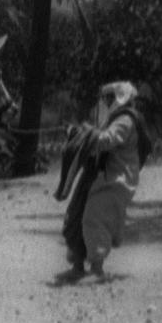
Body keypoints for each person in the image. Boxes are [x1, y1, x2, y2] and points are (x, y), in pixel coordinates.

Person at [56, 81, 147, 282]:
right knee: (77, 214)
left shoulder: (125, 120)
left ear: (120, 98)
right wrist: (81, 132)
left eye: (109, 97)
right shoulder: (114, 118)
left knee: (95, 218)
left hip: (116, 179)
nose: (106, 101)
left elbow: (106, 140)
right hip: (100, 177)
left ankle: (97, 270)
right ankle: (78, 265)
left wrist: (81, 133)